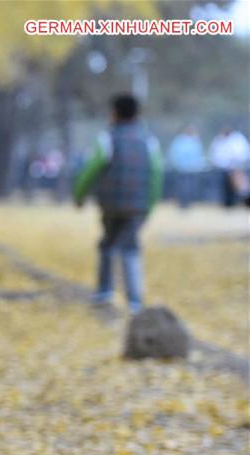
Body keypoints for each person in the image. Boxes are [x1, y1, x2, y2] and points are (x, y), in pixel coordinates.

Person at [74, 94, 163, 314]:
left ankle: (105, 290)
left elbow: (91, 169)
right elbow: (156, 174)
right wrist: (150, 204)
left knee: (108, 244)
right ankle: (134, 300)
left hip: (111, 204)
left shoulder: (107, 140)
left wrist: (80, 194)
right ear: (137, 114)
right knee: (130, 248)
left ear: (114, 113)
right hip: (136, 207)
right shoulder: (149, 142)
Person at [208, 127, 250, 208]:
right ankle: (244, 193)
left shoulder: (238, 139)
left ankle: (244, 193)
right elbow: (215, 155)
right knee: (234, 174)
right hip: (222, 167)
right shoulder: (218, 140)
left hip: (237, 166)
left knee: (236, 173)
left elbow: (243, 155)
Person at [166, 126, 205, 208]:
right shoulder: (180, 140)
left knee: (188, 187)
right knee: (183, 187)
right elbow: (174, 154)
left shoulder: (194, 140)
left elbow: (198, 155)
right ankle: (182, 203)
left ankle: (187, 203)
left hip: (190, 169)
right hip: (182, 168)